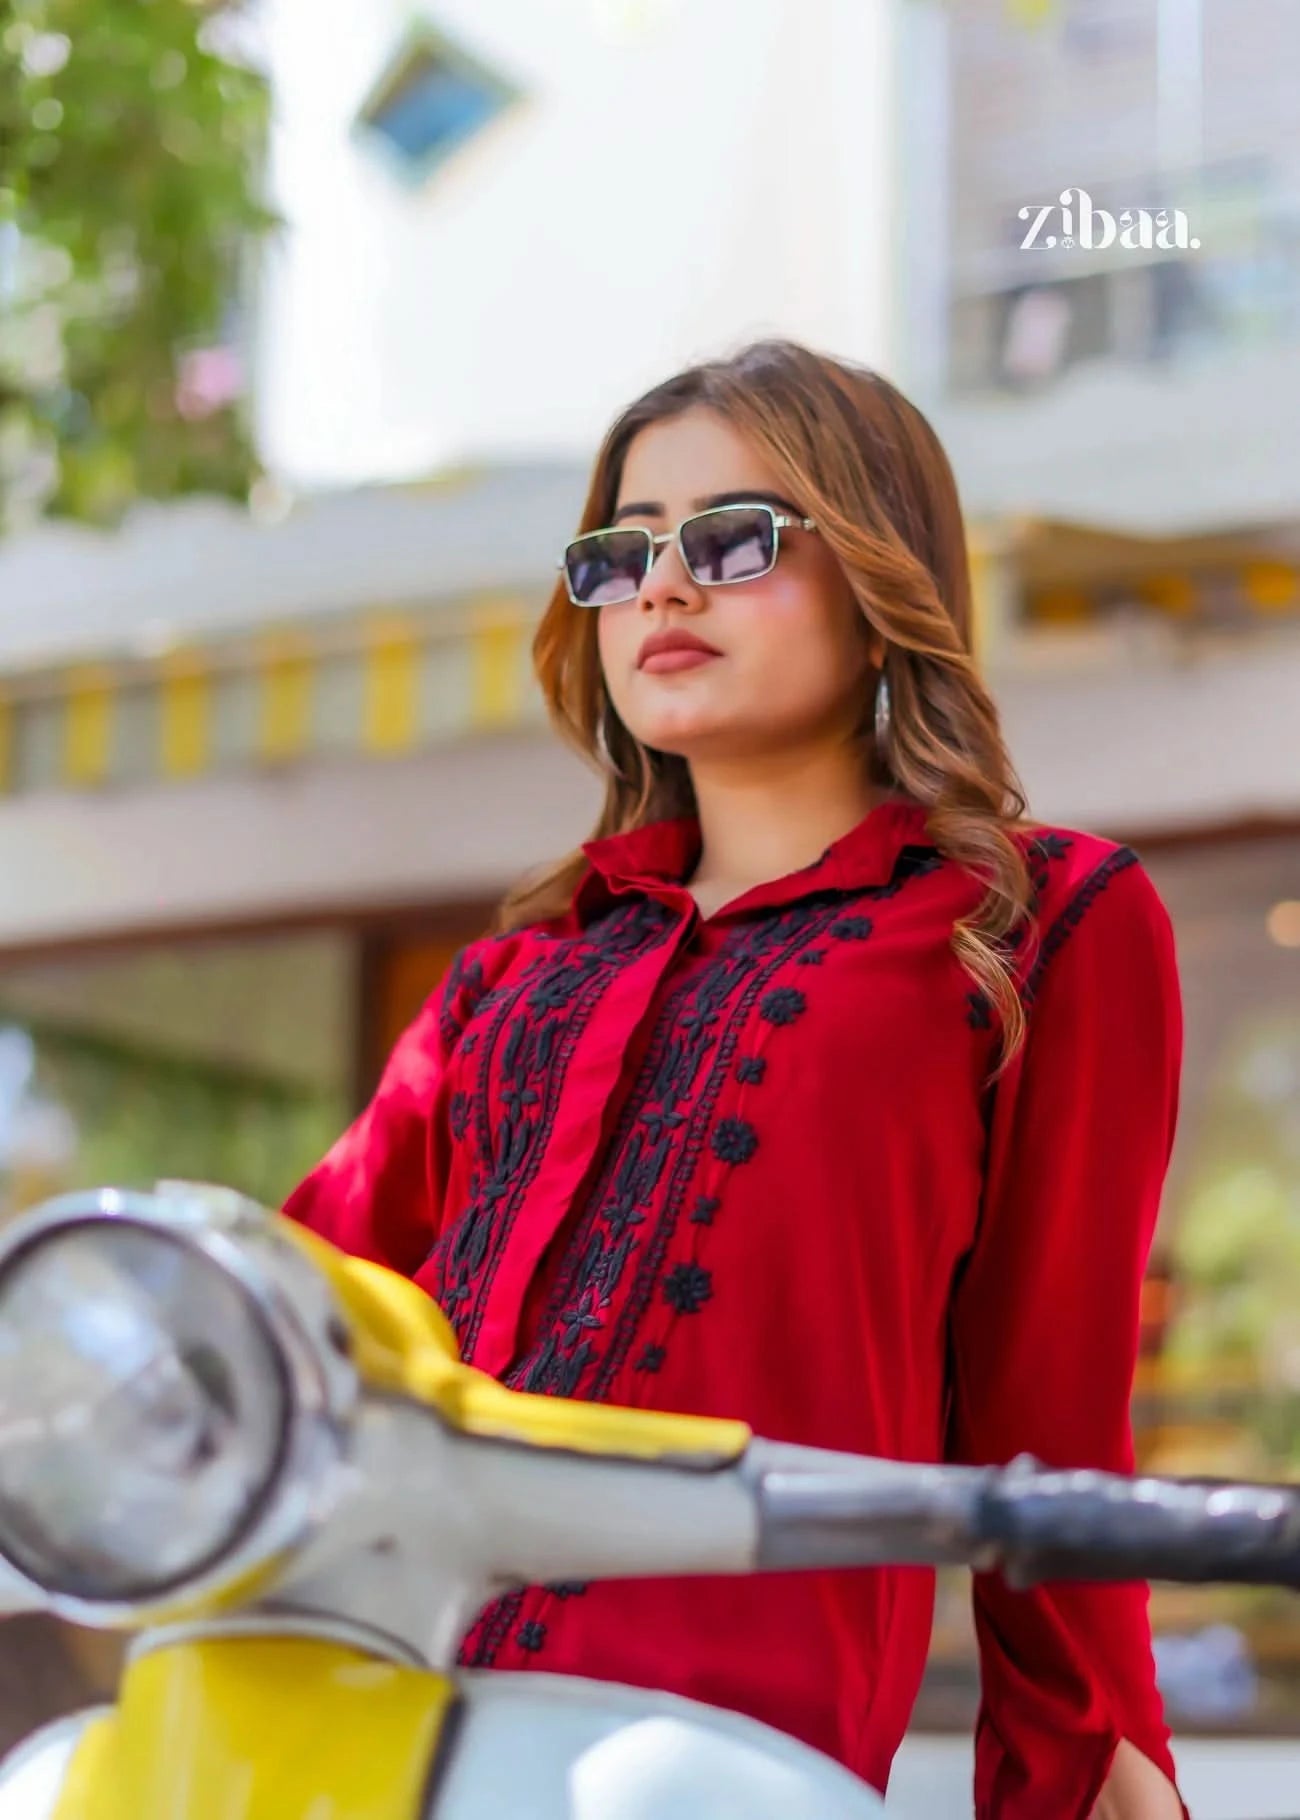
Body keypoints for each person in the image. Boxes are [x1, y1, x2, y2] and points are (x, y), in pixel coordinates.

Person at [285, 340, 1186, 1819]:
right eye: (620, 553)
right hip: (362, 1719)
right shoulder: (511, 982)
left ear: (881, 575)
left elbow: (1052, 1420)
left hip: (717, 1764)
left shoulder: (1029, 927)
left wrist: (1092, 1764)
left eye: (731, 539)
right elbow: (289, 1300)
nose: (663, 587)